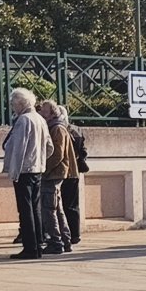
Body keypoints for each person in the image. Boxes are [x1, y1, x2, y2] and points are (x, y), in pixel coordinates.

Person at [2, 87, 52, 260]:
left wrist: (13, 172)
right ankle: (38, 244)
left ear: (20, 103)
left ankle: (30, 247)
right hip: (37, 168)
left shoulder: (24, 120)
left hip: (24, 170)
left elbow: (19, 149)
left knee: (25, 209)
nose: (12, 107)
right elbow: (49, 146)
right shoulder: (39, 119)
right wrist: (41, 160)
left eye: (13, 103)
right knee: (35, 208)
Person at [37, 99, 77, 254]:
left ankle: (56, 241)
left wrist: (44, 169)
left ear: (52, 113)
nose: (42, 113)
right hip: (56, 173)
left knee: (49, 208)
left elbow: (57, 154)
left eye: (45, 111)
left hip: (54, 174)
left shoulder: (57, 128)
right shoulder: (55, 127)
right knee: (56, 207)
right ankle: (64, 240)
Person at [59, 105, 85, 246]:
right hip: (75, 171)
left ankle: (66, 234)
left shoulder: (60, 130)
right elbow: (84, 152)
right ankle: (75, 234)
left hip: (64, 171)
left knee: (61, 205)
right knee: (73, 205)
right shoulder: (77, 130)